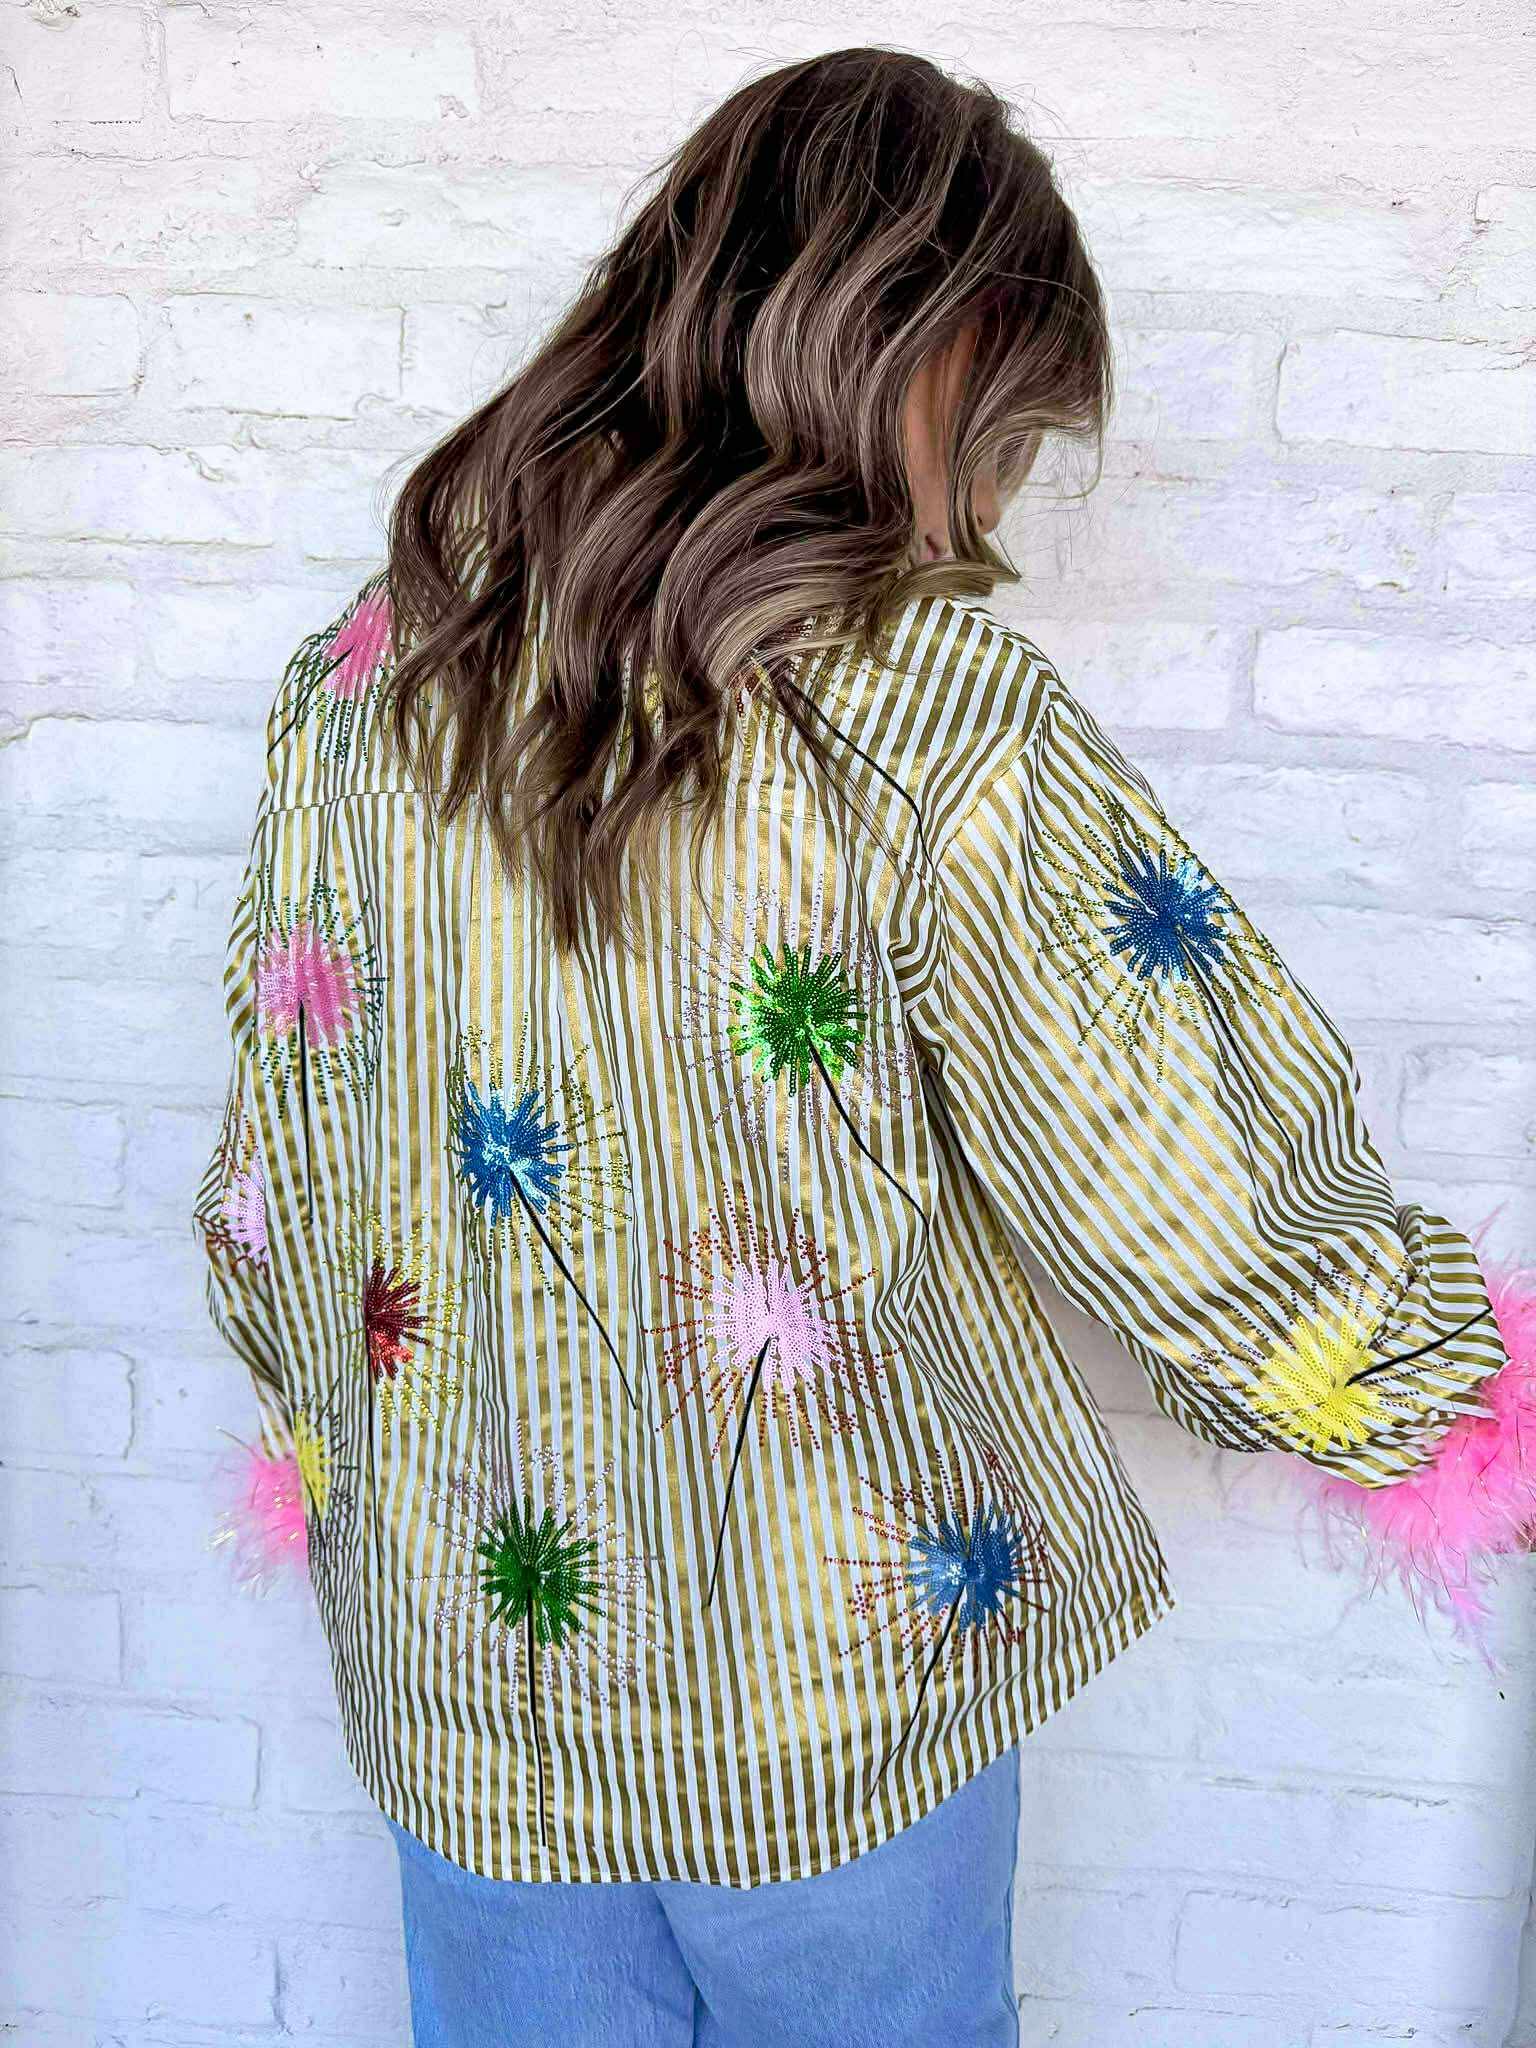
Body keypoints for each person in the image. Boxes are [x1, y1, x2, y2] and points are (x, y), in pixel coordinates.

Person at [193, 47, 1529, 2048]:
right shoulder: (928, 715)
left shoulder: (367, 684)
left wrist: (386, 1483)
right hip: (826, 1715)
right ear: (915, 350)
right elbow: (1184, 1193)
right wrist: (1460, 1412)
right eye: (1002, 430)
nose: (988, 497)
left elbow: (269, 1193)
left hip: (464, 1689)